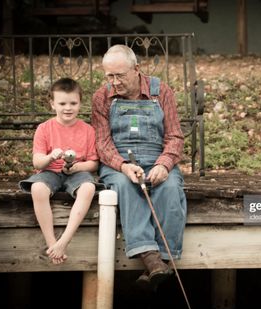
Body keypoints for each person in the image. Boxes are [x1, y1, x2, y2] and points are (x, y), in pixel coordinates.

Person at [92, 45, 187, 286]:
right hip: (119, 162)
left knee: (170, 188)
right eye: (109, 76)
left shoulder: (161, 91)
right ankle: (152, 260)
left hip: (157, 157)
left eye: (120, 75)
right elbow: (102, 144)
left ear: (136, 69)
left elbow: (175, 136)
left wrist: (164, 165)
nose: (115, 82)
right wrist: (123, 166)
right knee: (124, 186)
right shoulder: (101, 97)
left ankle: (160, 264)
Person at [19, 78, 103, 264]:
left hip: (77, 172)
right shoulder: (44, 128)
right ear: (52, 104)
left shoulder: (88, 130)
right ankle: (52, 244)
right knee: (38, 189)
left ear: (80, 103)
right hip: (50, 172)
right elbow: (37, 162)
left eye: (73, 103)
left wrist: (77, 167)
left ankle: (65, 240)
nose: (68, 108)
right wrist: (50, 157)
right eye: (62, 103)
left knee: (88, 188)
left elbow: (93, 163)